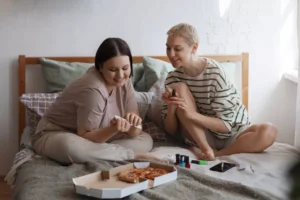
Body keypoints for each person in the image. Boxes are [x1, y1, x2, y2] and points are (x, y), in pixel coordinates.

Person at [32, 38, 159, 165]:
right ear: (100, 67)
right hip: (58, 133)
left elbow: (135, 131)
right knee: (72, 148)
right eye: (113, 70)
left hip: (100, 138)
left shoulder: (126, 81)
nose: (120, 75)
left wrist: (133, 126)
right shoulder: (94, 89)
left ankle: (104, 153)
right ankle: (129, 155)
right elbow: (85, 136)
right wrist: (113, 129)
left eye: (125, 68)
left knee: (145, 140)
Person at [161, 23, 278, 160]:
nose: (171, 54)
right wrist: (171, 107)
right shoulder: (172, 78)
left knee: (270, 131)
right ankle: (206, 149)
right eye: (168, 48)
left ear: (194, 47)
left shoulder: (215, 73)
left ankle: (218, 154)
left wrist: (191, 115)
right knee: (179, 87)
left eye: (177, 49)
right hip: (202, 136)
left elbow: (226, 126)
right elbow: (171, 130)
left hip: (233, 133)